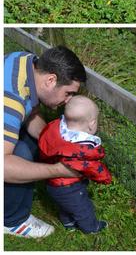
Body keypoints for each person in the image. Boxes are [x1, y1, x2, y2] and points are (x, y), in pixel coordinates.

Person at [4, 46, 86, 238]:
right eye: (68, 93)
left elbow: (30, 113)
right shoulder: (10, 100)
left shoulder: (25, 62)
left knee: (33, 144)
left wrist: (57, 144)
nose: (68, 101)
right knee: (22, 152)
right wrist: (58, 170)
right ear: (51, 80)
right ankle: (12, 220)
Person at [39, 95, 112, 233]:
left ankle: (68, 222)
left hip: (53, 183)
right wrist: (105, 177)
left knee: (65, 204)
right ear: (92, 123)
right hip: (70, 186)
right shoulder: (83, 149)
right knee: (82, 207)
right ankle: (91, 227)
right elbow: (93, 167)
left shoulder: (57, 130)